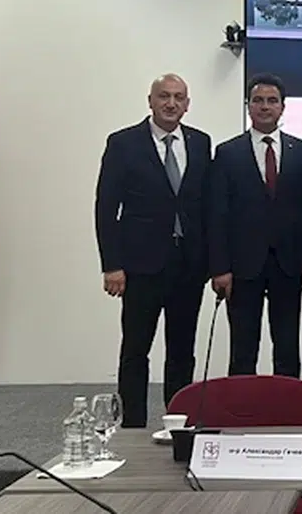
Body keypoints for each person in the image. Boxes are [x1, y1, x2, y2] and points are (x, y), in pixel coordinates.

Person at [94, 74, 211, 428]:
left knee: (182, 351)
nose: (171, 103)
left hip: (188, 266)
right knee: (135, 350)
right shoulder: (123, 143)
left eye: (178, 97)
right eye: (164, 96)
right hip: (140, 266)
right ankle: (133, 427)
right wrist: (111, 265)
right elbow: (106, 209)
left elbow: (206, 206)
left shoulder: (200, 142)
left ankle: (179, 424)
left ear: (187, 104)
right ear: (150, 101)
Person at [208, 72, 302, 378]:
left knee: (287, 346)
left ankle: (288, 404)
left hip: (289, 263)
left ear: (283, 107)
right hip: (242, 266)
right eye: (258, 100)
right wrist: (220, 268)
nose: (265, 106)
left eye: (272, 101)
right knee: (243, 348)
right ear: (248, 106)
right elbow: (218, 214)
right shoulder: (228, 153)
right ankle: (242, 405)